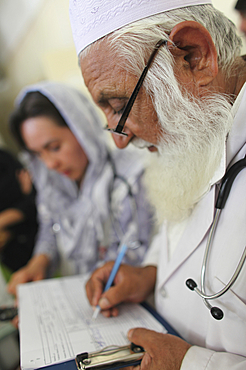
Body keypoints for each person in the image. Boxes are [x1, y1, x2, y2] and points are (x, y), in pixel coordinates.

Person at [68, 0, 246, 369]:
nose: (118, 140)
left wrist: (192, 364)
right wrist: (150, 275)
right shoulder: (194, 129)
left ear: (193, 56)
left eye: (118, 104)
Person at [7, 81, 154, 295]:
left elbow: (139, 254)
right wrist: (39, 262)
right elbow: (51, 226)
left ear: (82, 128)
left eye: (54, 148)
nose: (49, 164)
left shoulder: (130, 177)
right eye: (38, 154)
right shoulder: (53, 185)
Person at [0, 148, 38, 272]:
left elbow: (33, 200)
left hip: (34, 234)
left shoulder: (3, 158)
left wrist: (4, 222)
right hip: (12, 256)